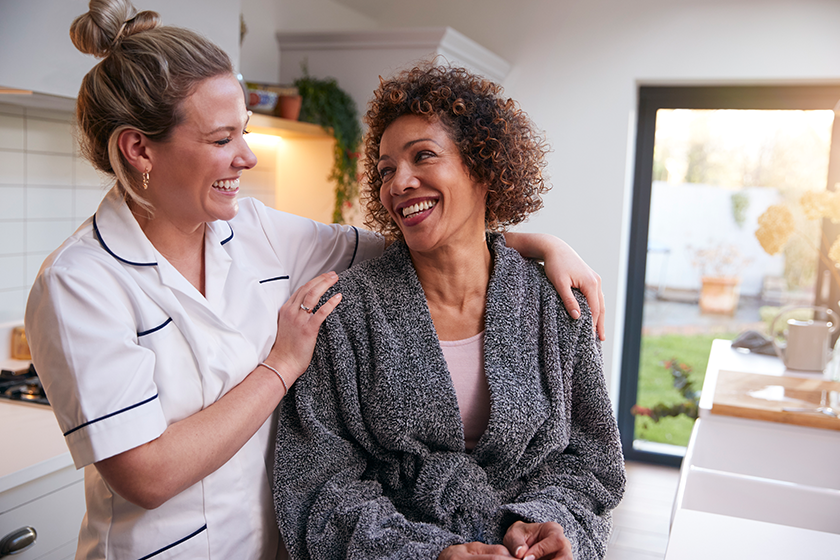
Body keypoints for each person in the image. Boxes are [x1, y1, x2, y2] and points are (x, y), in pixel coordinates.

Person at [23, 2, 606, 559]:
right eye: (223, 138)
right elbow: (145, 475)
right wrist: (283, 362)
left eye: (244, 131)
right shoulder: (79, 282)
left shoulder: (259, 233)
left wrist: (540, 245)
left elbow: (418, 241)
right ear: (138, 149)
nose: (247, 157)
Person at [273, 63, 625, 560]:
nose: (400, 182)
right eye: (386, 169)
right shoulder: (346, 317)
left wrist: (548, 526)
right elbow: (315, 484)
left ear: (483, 166)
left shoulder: (555, 304)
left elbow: (592, 463)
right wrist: (428, 553)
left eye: (423, 156)